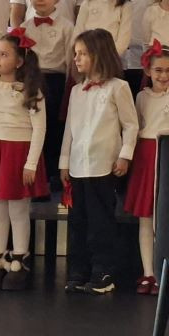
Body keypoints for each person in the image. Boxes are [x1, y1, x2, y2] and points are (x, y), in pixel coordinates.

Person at [60, 28, 138, 295]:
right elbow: (70, 128)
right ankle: (78, 271)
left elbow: (130, 125)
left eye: (83, 53)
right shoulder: (76, 91)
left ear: (99, 54)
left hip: (103, 165)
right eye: (76, 54)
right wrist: (64, 161)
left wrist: (125, 155)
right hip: (78, 166)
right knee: (78, 221)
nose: (77, 59)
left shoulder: (119, 87)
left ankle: (103, 271)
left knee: (100, 221)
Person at [0, 30, 49, 291]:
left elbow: (39, 129)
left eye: (3, 54)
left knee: (18, 210)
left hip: (19, 154)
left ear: (19, 61)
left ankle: (18, 260)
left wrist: (31, 163)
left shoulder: (31, 91)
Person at [125, 43, 169, 295]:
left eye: (168, 70)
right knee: (146, 218)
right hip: (145, 159)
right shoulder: (141, 97)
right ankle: (148, 272)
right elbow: (135, 126)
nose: (163, 76)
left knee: (166, 219)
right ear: (148, 71)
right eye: (158, 70)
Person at [22, 0, 73, 184]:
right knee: (34, 127)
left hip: (56, 81)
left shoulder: (66, 26)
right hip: (32, 80)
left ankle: (52, 175)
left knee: (53, 126)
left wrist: (69, 86)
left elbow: (70, 59)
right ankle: (36, 175)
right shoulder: (25, 27)